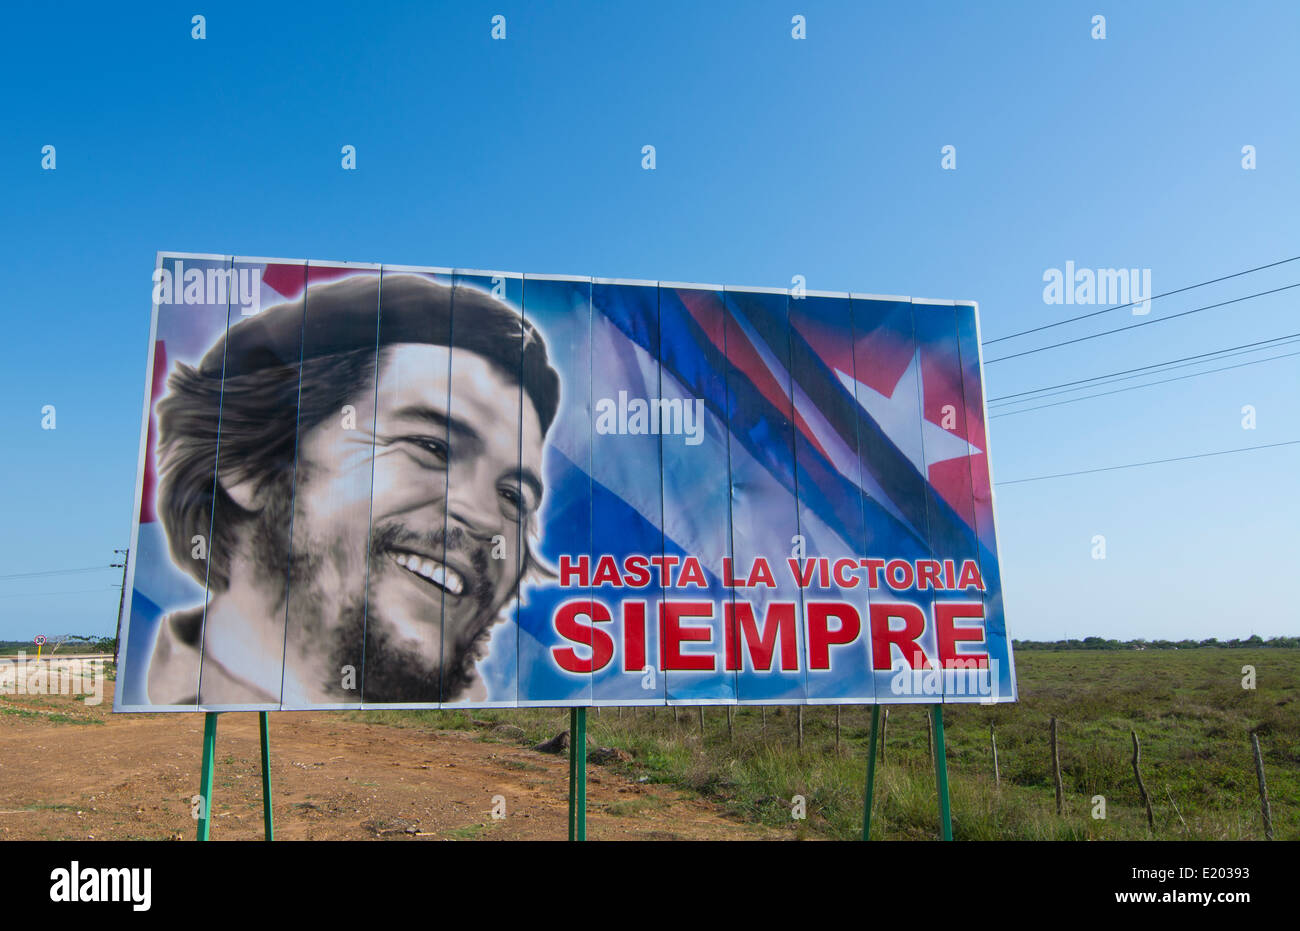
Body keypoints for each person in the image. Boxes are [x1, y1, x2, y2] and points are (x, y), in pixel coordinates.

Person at [146, 274, 559, 704]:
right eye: (430, 447)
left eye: (514, 497)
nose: (485, 518)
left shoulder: (483, 746)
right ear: (243, 464)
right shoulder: (143, 738)